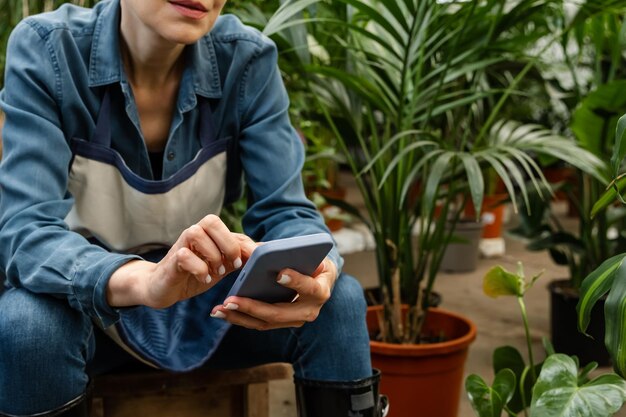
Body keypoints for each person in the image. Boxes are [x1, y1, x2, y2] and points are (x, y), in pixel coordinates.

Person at [0, 1, 388, 416]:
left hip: (209, 307)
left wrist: (318, 264)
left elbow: (285, 210)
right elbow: (26, 230)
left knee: (340, 300)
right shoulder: (50, 50)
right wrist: (145, 281)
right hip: (90, 313)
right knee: (28, 325)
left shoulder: (246, 60)